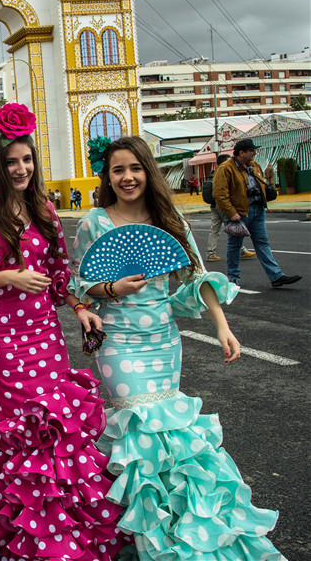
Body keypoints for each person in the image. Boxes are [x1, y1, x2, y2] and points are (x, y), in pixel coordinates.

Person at [70, 135, 284, 560]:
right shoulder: (95, 222)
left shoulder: (169, 220)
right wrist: (113, 286)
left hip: (164, 341)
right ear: (108, 177)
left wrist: (223, 327)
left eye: (135, 168)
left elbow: (196, 279)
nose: (127, 177)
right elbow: (80, 283)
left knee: (171, 437)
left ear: (148, 171)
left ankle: (185, 534)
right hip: (118, 341)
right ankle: (148, 538)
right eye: (118, 170)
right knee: (139, 429)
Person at [0, 104, 125, 560]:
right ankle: (33, 538)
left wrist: (78, 307)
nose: (21, 169)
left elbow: (59, 276)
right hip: (3, 343)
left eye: (27, 160)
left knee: (59, 431)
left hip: (46, 339)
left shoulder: (45, 212)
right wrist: (5, 277)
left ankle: (68, 536)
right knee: (25, 434)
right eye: (12, 161)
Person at [213, 138, 301, 288]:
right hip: (240, 213)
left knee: (262, 243)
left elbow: (260, 183)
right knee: (235, 245)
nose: (254, 152)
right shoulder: (226, 168)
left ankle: (276, 276)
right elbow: (219, 194)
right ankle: (233, 278)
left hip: (257, 209)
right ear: (241, 153)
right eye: (251, 150)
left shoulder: (253, 165)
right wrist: (232, 213)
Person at [205, 155, 254, 262]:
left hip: (213, 206)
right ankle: (242, 251)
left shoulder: (212, 174)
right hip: (222, 206)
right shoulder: (224, 172)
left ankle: (210, 253)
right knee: (234, 228)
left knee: (214, 230)